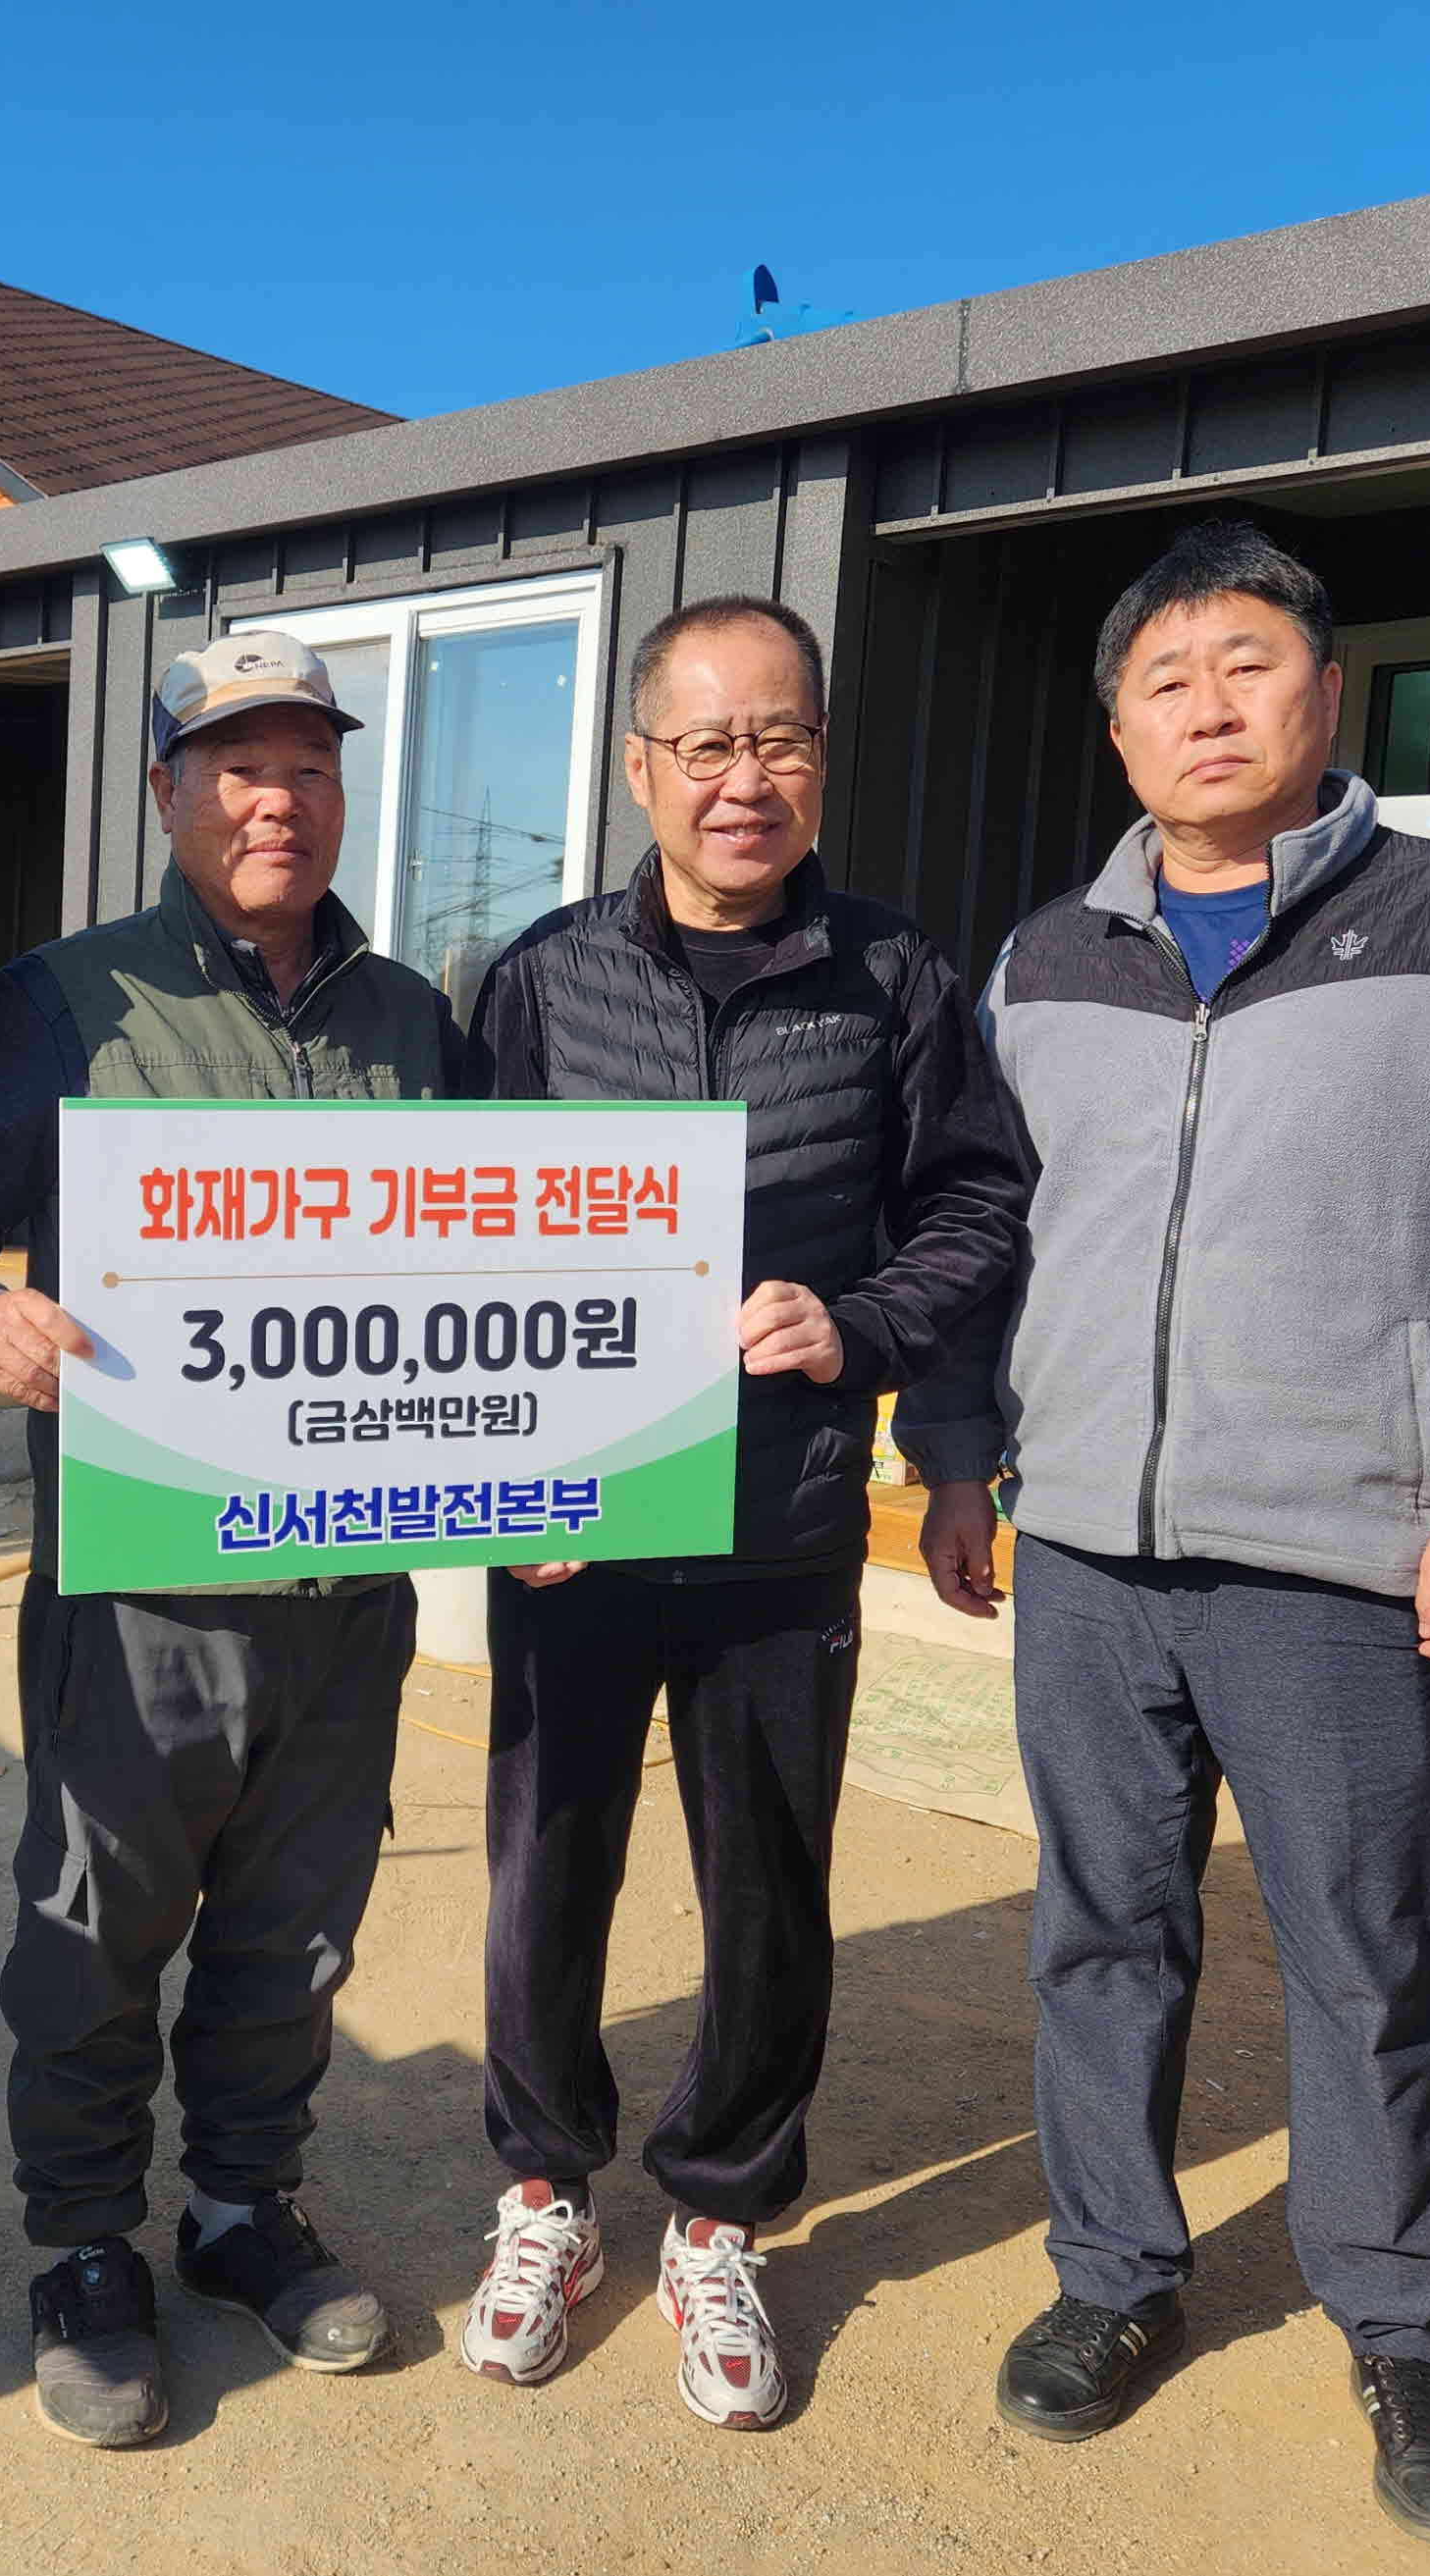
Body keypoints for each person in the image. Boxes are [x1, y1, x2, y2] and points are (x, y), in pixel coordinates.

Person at [896, 519, 1430, 2552]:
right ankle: (1113, 2275)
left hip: (1339, 1551)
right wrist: (955, 1444)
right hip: (1091, 1549)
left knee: (1368, 1956)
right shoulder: (1047, 956)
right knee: (1098, 1930)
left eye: (1246, 665)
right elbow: (977, 1231)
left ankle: (1409, 2328)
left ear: (1325, 695)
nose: (1206, 706)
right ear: (1116, 723)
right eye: (1163, 678)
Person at [0, 634, 473, 2448]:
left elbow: (479, 1282)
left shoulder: (413, 1022)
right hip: (141, 1586)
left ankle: (238, 2210)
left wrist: (553, 1476)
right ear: (168, 794)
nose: (275, 796)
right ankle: (80, 2246)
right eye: (234, 764)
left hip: (348, 1588)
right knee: (94, 1926)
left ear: (343, 792)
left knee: (296, 1926)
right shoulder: (69, 1001)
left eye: (307, 762)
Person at [453, 595, 1028, 2432]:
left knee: (767, 1884)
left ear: (818, 760)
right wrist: (487, 1473)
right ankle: (547, 2188)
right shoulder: (541, 979)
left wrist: (858, 1330)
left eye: (778, 739)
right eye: (704, 744)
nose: (743, 778)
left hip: (779, 1526)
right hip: (573, 1519)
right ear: (640, 768)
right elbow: (457, 1232)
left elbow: (977, 1209)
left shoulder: (893, 977)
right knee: (546, 1869)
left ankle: (720, 2210)